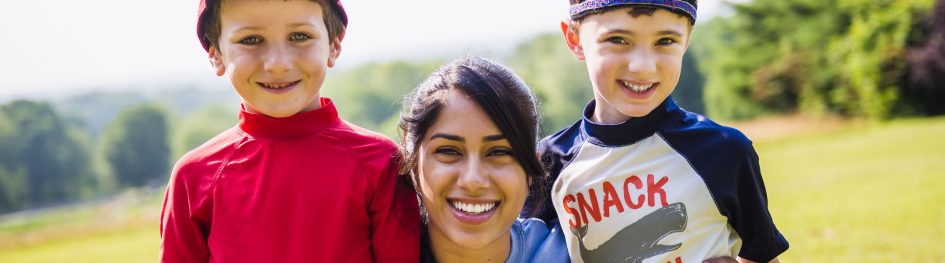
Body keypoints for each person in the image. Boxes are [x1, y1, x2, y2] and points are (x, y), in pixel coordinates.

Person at [159, 0, 420, 262]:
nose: (278, 64)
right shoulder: (193, 177)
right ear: (216, 54)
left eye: (299, 36)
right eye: (251, 40)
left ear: (333, 45)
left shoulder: (381, 162)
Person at [537, 1, 789, 263]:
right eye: (618, 39)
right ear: (575, 39)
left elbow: (760, 255)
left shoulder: (724, 151)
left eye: (665, 40)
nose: (643, 67)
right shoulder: (544, 165)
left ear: (687, 40)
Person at [398, 57, 570, 263]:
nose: (473, 180)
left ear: (532, 169)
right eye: (449, 151)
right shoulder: (373, 253)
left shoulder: (582, 252)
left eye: (498, 153)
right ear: (412, 160)